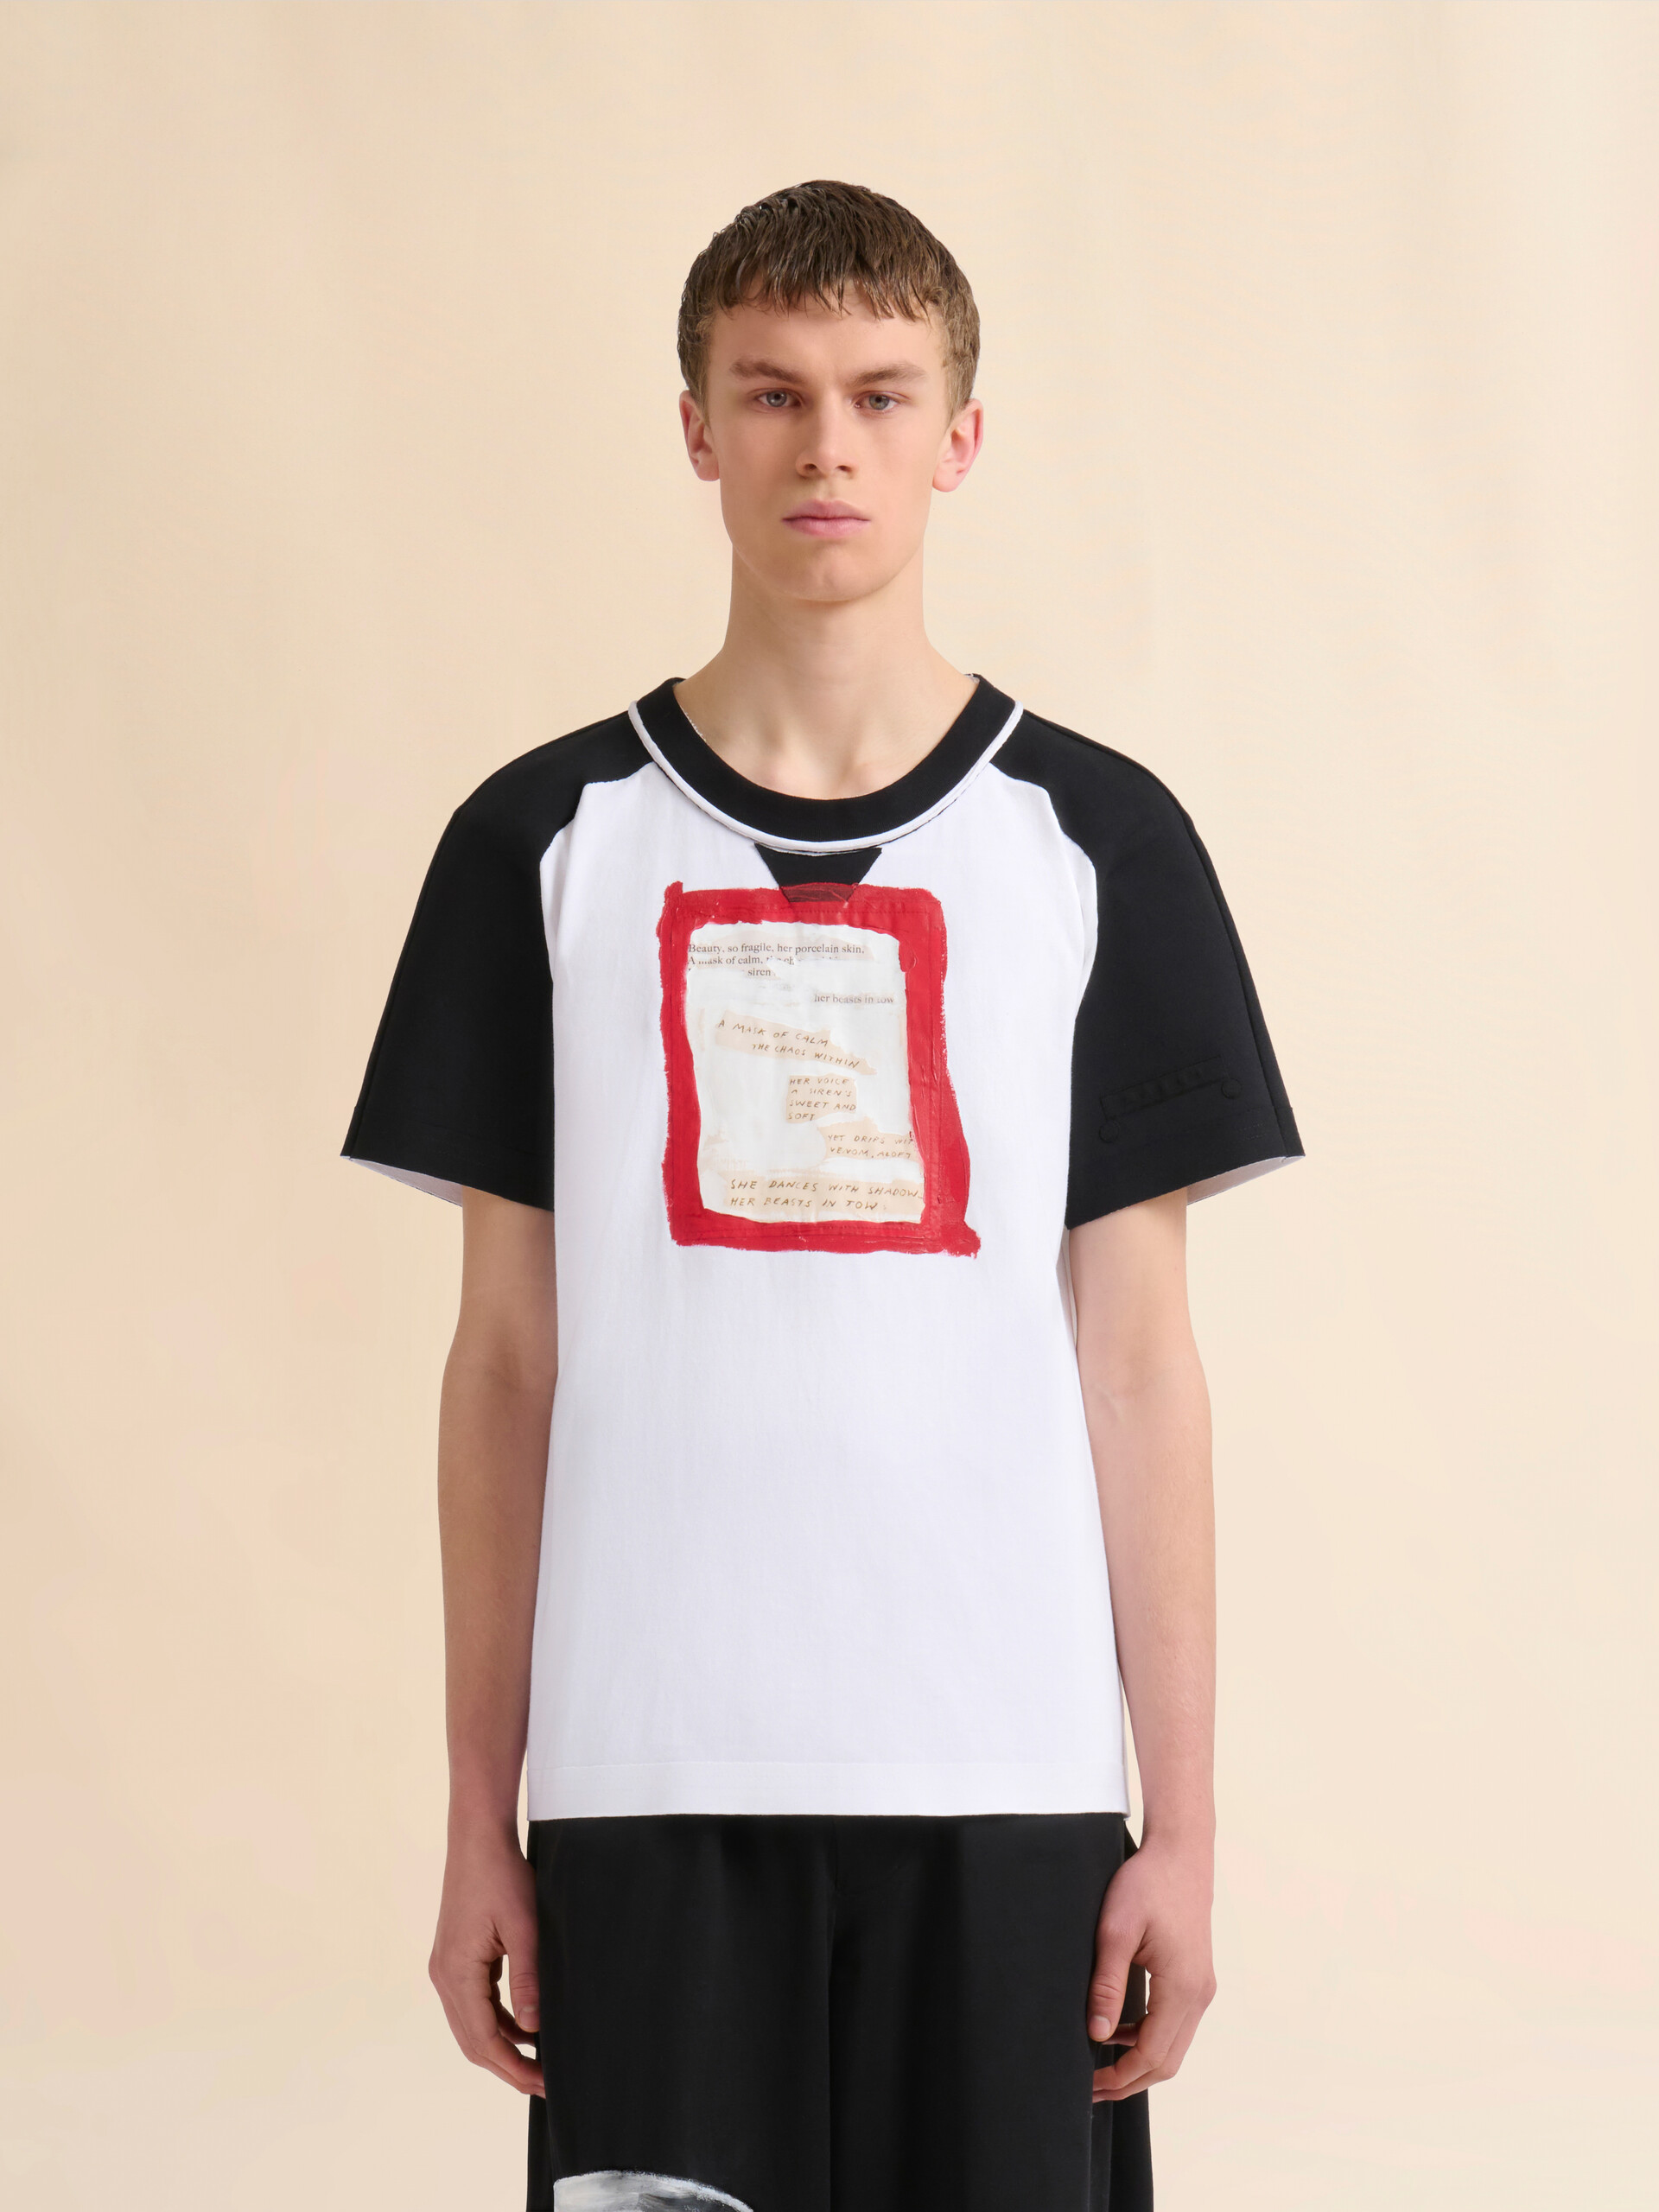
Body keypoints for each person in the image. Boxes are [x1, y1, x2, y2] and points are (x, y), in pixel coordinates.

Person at [343, 179, 1303, 2212]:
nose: (828, 446)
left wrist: (1188, 1827)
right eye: (773, 393)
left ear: (963, 434)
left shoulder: (1096, 843)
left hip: (1011, 1776)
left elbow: (1141, 1364)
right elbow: (504, 1362)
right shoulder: (542, 845)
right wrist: (478, 1812)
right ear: (698, 428)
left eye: (881, 394)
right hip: (647, 1776)